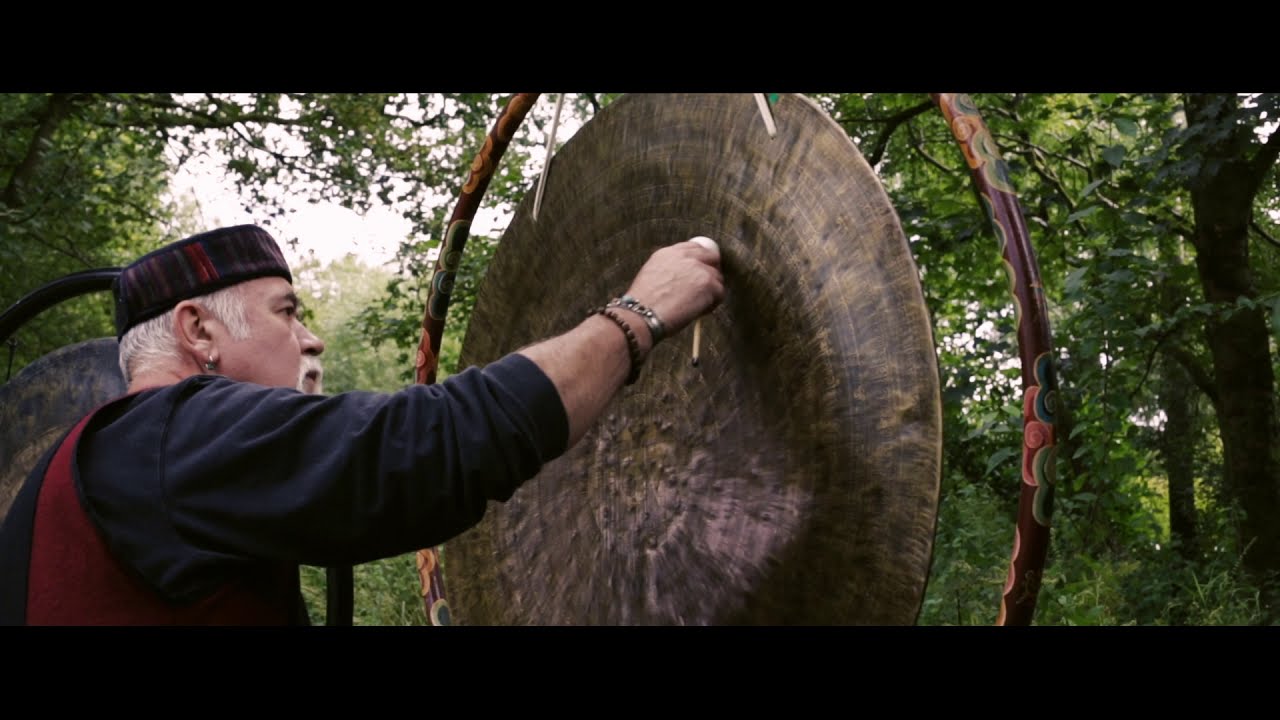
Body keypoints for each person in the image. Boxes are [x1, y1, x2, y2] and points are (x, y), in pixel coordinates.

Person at [0, 224, 724, 625]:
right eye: (286, 311)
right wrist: (638, 315)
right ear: (199, 332)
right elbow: (426, 449)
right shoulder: (168, 435)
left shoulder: (85, 468)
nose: (312, 339)